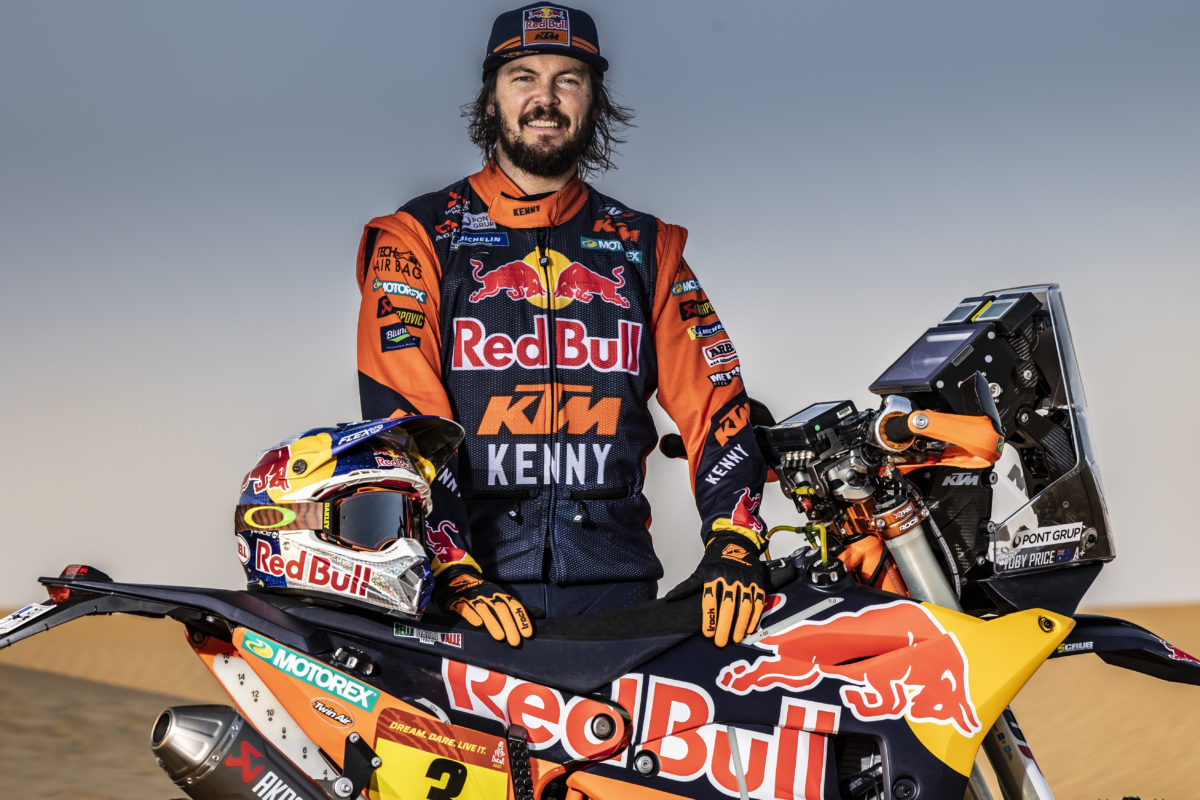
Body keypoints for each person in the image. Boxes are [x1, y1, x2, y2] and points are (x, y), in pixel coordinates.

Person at [355, 3, 767, 647]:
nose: (545, 99)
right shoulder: (419, 238)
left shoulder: (646, 247)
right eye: (523, 77)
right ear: (490, 98)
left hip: (618, 589)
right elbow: (406, 424)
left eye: (568, 80)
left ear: (593, 102)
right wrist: (453, 569)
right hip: (468, 593)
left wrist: (734, 544)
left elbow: (717, 405)